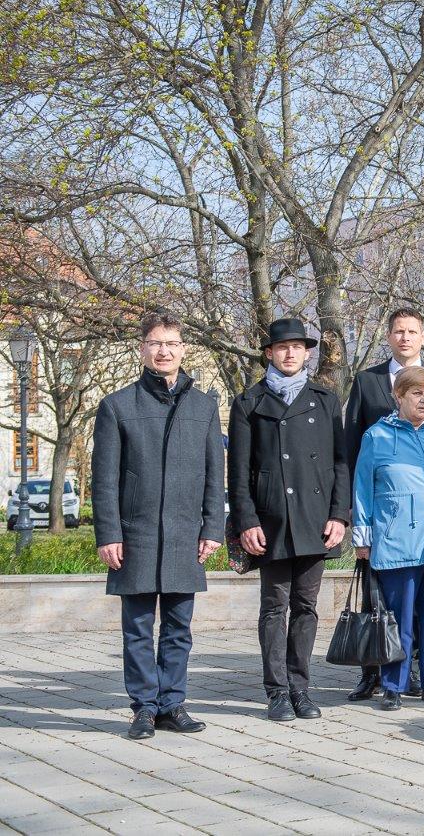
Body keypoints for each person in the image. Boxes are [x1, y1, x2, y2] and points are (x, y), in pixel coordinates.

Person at [92, 313, 224, 741]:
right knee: (136, 628)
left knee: (179, 626)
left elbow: (213, 473)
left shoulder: (204, 405)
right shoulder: (117, 405)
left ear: (183, 349)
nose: (163, 351)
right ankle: (144, 708)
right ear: (141, 349)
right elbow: (105, 477)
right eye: (154, 343)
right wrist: (109, 533)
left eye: (171, 343)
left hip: (186, 532)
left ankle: (173, 704)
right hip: (136, 533)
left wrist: (213, 528)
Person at [227, 318, 349, 722]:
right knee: (274, 607)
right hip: (272, 519)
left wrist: (339, 515)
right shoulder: (248, 401)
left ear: (308, 352)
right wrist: (246, 521)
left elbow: (340, 464)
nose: (291, 353)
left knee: (306, 606)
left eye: (298, 347)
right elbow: (239, 471)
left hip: (316, 519)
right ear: (269, 354)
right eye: (283, 347)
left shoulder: (326, 399)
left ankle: (301, 687)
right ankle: (276, 692)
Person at [344, 307, 424, 702]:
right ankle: (392, 684)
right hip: (397, 539)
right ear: (399, 396)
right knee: (397, 616)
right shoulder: (377, 436)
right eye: (417, 394)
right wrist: (362, 535)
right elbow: (362, 487)